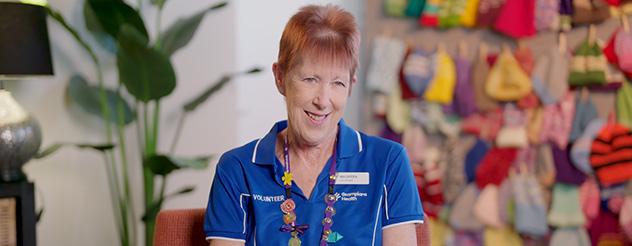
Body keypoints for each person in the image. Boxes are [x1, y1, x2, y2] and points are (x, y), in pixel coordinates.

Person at [204, 4, 424, 246]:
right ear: (280, 77)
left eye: (337, 83)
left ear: (351, 85)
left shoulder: (388, 162)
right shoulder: (237, 169)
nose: (323, 100)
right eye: (310, 79)